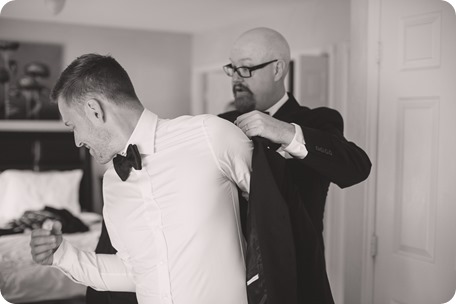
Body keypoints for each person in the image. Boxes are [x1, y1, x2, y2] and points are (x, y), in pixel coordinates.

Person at [29, 53, 253, 304]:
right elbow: (134, 272)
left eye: (73, 126)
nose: (77, 141)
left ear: (94, 110)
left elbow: (279, 214)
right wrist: (61, 255)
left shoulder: (211, 136)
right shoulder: (113, 184)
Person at [218, 27, 372, 303]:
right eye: (233, 68)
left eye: (246, 69)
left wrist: (285, 132)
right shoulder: (220, 124)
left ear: (278, 69)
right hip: (228, 283)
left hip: (299, 282)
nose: (236, 79)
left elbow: (356, 168)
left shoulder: (317, 121)